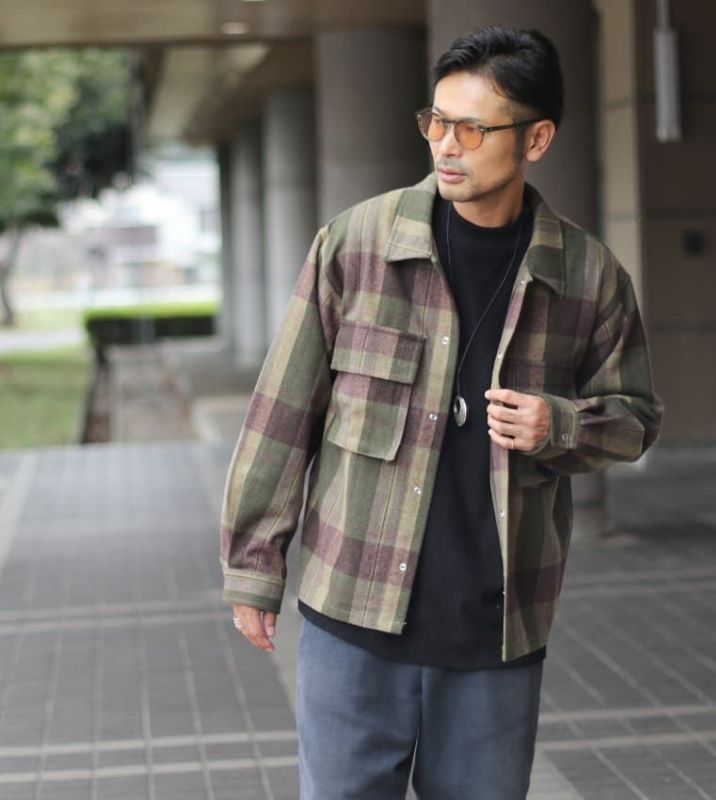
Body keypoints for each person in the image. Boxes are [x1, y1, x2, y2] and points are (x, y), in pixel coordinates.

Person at [219, 25, 663, 800]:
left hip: (495, 632)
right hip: (354, 617)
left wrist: (559, 426)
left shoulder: (587, 276)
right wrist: (254, 566)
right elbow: (283, 410)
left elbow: (636, 417)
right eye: (436, 122)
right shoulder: (357, 246)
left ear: (536, 139)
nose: (446, 146)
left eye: (472, 129)